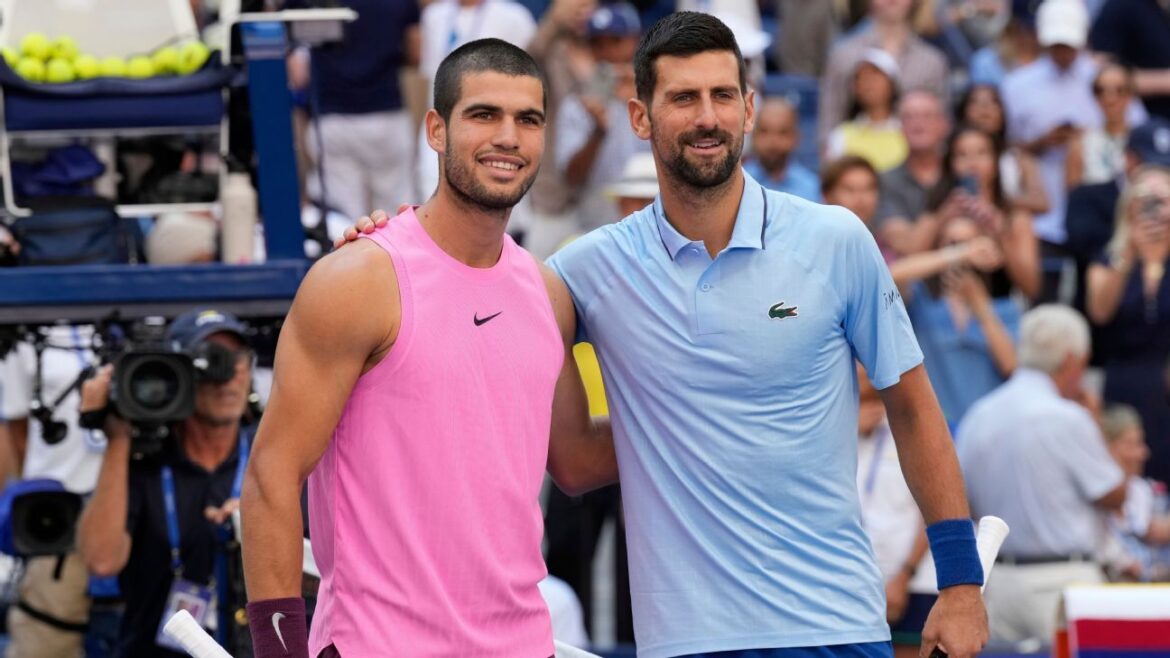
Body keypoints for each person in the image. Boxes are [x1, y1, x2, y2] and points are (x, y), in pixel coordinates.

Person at [349, 13, 990, 658]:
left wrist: (960, 582)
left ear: (748, 108)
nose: (707, 117)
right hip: (682, 642)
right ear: (640, 117)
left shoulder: (838, 240)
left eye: (722, 95)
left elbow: (914, 411)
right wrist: (393, 244)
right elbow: (569, 459)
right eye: (684, 98)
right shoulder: (582, 271)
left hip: (835, 630)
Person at [240, 39, 613, 658]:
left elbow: (576, 461)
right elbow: (272, 477)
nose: (509, 137)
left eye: (528, 119)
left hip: (522, 645)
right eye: (484, 115)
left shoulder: (548, 293)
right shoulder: (359, 279)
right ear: (436, 129)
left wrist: (712, 410)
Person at [77, 309, 259, 657]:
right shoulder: (147, 465)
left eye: (239, 359)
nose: (229, 374)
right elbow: (101, 561)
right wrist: (118, 438)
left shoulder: (270, 458)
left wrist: (262, 518)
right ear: (179, 372)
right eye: (211, 360)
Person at [957, 304, 1127, 644]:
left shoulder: (979, 414)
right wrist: (1094, 421)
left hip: (998, 582)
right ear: (1070, 361)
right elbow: (1114, 494)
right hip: (1062, 581)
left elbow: (963, 500)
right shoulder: (1068, 418)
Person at [1, 326, 106, 658]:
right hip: (55, 514)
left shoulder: (139, 321)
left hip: (133, 500)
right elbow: (16, 427)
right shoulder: (27, 332)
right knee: (45, 635)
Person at [283, 0, 420, 222]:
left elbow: (298, 73)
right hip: (386, 114)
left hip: (331, 118)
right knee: (397, 215)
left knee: (341, 218)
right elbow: (416, 52)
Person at [1085, 164, 1170, 484]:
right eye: (1146, 198)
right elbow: (1100, 311)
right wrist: (1129, 253)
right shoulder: (1108, 258)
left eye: (1162, 199)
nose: (1154, 209)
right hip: (1123, 382)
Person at [896, 215, 1021, 428]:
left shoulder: (1006, 308)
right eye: (952, 243)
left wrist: (981, 307)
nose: (966, 253)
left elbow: (1011, 367)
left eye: (970, 243)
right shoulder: (922, 304)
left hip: (989, 426)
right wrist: (959, 254)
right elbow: (893, 275)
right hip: (938, 426)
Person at [854, 365, 934, 658]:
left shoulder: (915, 426)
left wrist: (903, 576)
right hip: (856, 582)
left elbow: (933, 511)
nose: (861, 370)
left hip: (912, 582)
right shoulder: (828, 428)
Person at [915, 126, 1042, 299]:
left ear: (995, 161)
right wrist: (942, 218)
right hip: (942, 305)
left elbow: (1031, 286)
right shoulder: (939, 206)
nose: (972, 163)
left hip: (997, 306)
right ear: (950, 163)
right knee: (959, 230)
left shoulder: (1014, 216)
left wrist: (1000, 231)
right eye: (962, 155)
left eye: (981, 153)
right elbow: (909, 266)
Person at [819, 0, 949, 148]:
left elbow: (942, 125)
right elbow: (830, 119)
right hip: (857, 153)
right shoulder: (842, 55)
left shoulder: (933, 61)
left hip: (915, 156)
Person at [954, 84, 1050, 216]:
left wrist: (993, 202)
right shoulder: (949, 152)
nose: (984, 108)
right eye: (975, 102)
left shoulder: (1017, 156)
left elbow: (1041, 202)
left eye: (993, 102)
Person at [875, 89, 951, 255]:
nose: (918, 124)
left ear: (944, 125)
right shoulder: (884, 181)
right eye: (909, 117)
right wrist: (943, 214)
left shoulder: (960, 174)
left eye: (927, 116)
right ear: (900, 128)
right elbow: (907, 246)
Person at [1099, 404, 1170, 582]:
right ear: (1106, 448)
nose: (1143, 453)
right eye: (1132, 444)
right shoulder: (1093, 497)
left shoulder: (1144, 492)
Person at [825, 49, 907, 172]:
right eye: (860, 77)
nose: (867, 82)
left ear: (892, 84)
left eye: (875, 75)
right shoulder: (841, 136)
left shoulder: (908, 133)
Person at [1089, 0, 1170, 122]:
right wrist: (1162, 82)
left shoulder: (1162, 8)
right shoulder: (1121, 6)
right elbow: (1097, 70)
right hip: (1139, 121)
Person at [1066, 62, 1137, 189]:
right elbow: (1075, 196)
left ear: (1131, 94)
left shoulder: (1145, 140)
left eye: (1119, 90)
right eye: (1100, 91)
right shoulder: (1081, 144)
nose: (1110, 99)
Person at [744, 98, 821, 202]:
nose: (773, 141)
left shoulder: (812, 188)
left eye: (783, 132)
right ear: (753, 136)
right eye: (764, 131)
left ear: (796, 137)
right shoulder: (737, 183)